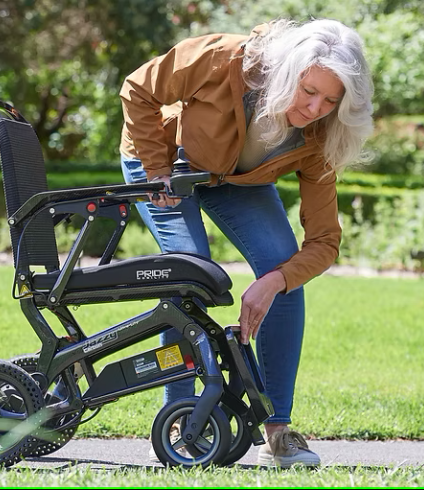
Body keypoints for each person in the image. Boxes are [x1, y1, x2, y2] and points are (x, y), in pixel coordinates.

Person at [119, 18, 374, 467]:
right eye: (308, 90)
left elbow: (324, 240)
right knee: (188, 272)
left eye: (331, 100)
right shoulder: (223, 58)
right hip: (167, 160)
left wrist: (275, 280)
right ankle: (178, 420)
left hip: (237, 179)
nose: (315, 107)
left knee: (282, 269)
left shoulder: (323, 134)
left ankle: (278, 432)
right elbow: (139, 88)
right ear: (286, 72)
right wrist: (156, 168)